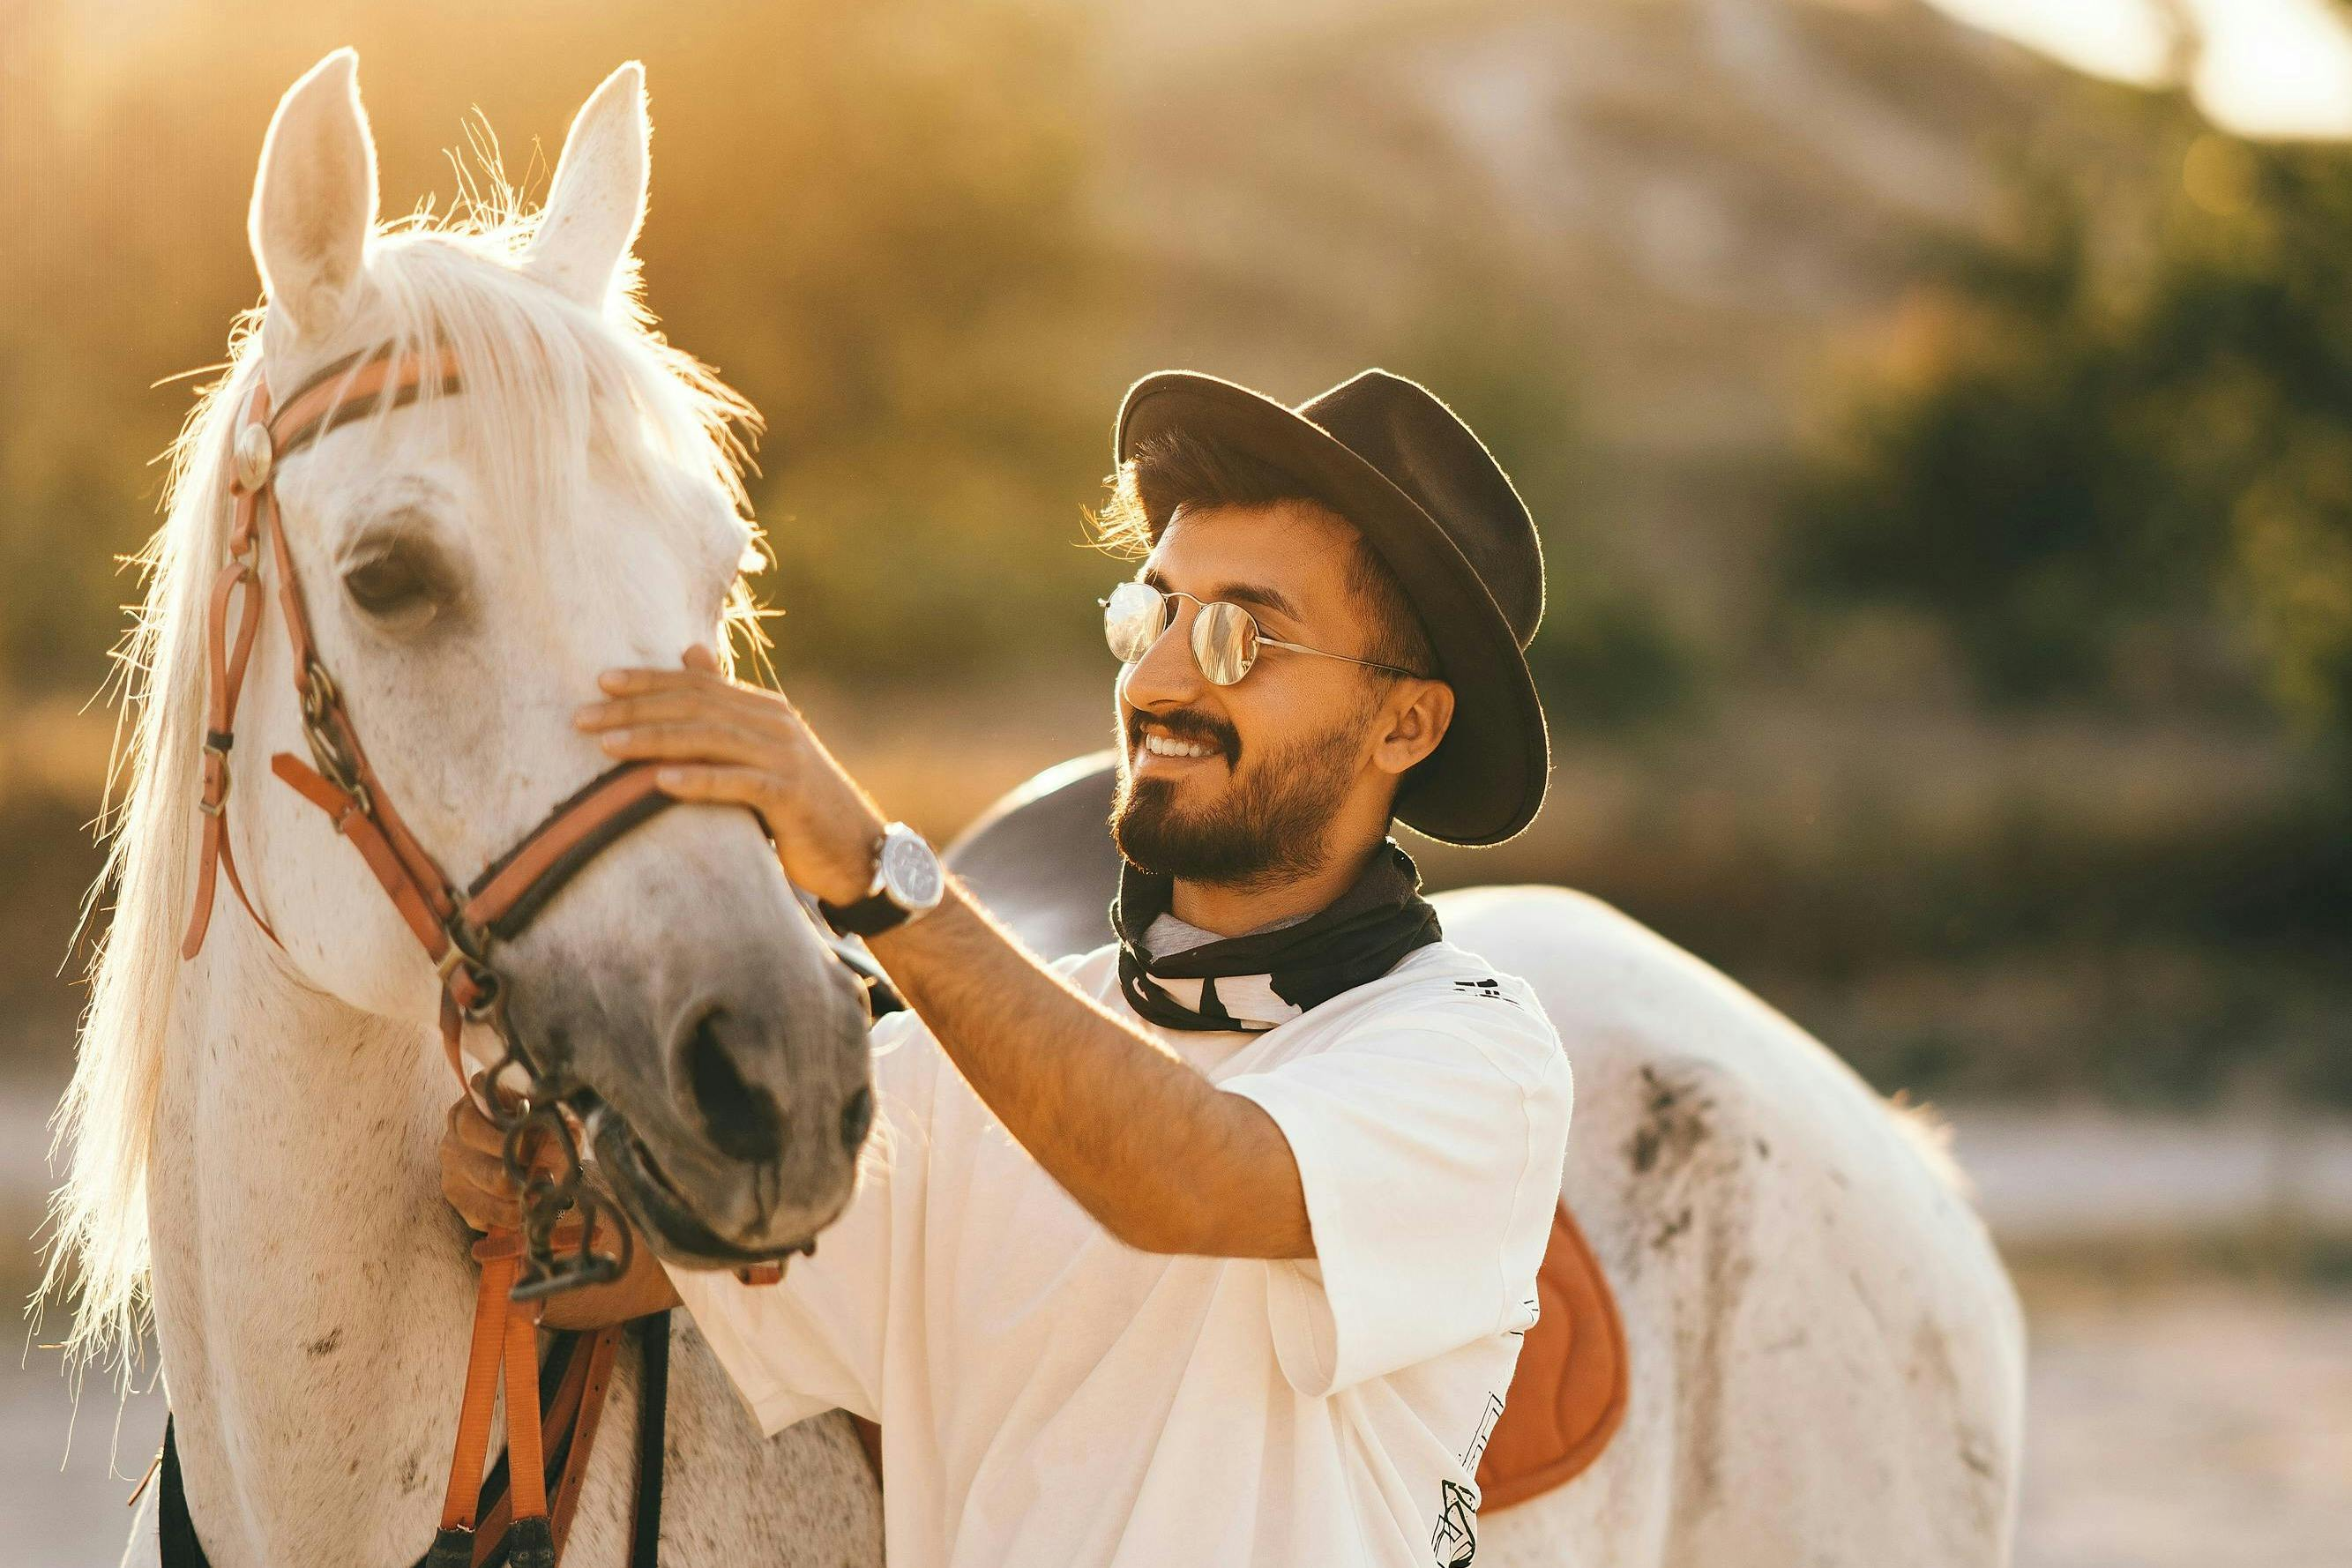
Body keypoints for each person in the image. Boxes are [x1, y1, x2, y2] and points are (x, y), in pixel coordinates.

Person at [440, 368, 1573, 1567]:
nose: (1155, 681)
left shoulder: (1475, 1053)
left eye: (1240, 634)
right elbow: (608, 1266)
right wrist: (524, 1172)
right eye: (1151, 615)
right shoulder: (941, 1068)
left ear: (1406, 725)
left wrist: (881, 876)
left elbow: (1184, 1180)